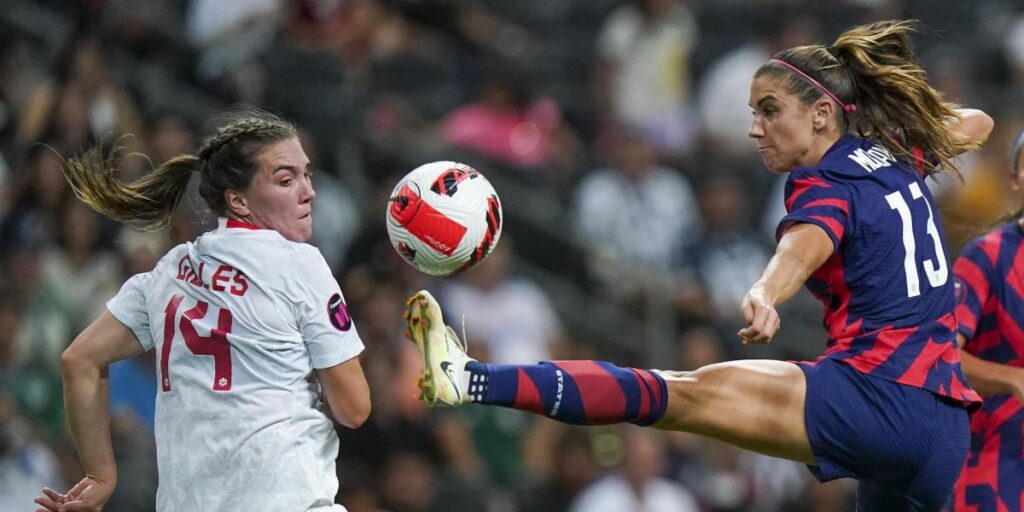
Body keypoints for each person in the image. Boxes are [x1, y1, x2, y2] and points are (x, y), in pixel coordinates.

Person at [403, 20, 994, 511]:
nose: (754, 128)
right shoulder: (894, 157)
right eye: (753, 111)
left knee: (668, 394)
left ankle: (472, 379)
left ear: (821, 113)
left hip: (876, 397)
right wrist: (906, 133)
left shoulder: (824, 182)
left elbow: (804, 244)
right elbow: (978, 122)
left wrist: (766, 291)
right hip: (945, 428)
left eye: (770, 110)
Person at [33, 108, 371, 512]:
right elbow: (354, 408)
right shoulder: (299, 264)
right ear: (237, 200)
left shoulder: (169, 271)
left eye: (307, 174)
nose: (308, 191)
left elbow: (79, 361)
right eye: (286, 180)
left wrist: (100, 475)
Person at [950, 128, 1024, 511]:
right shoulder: (988, 257)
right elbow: (940, 355)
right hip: (993, 471)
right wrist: (1012, 378)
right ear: (1015, 179)